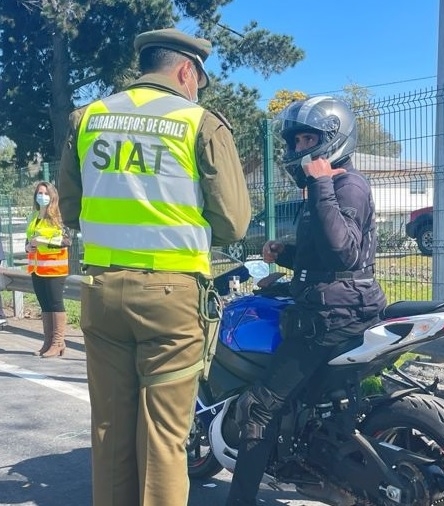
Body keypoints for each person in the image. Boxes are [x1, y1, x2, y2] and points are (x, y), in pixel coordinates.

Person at [58, 28, 251, 506]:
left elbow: (70, 208)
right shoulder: (199, 123)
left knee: (109, 427)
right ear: (187, 70)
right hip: (172, 298)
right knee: (164, 437)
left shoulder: (88, 119)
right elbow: (234, 222)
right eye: (197, 81)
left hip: (102, 292)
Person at [226, 96, 387, 506]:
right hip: (341, 303)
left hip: (330, 316)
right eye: (296, 140)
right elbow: (326, 257)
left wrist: (319, 184)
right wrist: (287, 252)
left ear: (334, 138)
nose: (299, 149)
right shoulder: (332, 186)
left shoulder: (345, 184)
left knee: (259, 408)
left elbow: (344, 251)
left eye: (308, 139)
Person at [25, 181, 71, 357]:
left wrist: (43, 242)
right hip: (37, 268)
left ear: (52, 196)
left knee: (55, 303)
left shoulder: (58, 216)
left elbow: (67, 241)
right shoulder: (34, 216)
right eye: (39, 193)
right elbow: (28, 239)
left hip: (54, 269)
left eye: (45, 193)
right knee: (44, 304)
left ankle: (58, 342)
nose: (41, 196)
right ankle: (48, 341)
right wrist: (28, 247)